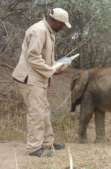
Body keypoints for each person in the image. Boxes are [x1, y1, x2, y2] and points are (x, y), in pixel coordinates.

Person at [12, 8, 72, 157]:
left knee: (43, 110)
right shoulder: (39, 31)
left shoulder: (47, 31)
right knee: (36, 113)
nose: (63, 27)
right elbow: (33, 57)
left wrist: (55, 67)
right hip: (30, 78)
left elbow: (42, 58)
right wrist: (51, 71)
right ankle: (34, 148)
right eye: (62, 24)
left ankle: (47, 143)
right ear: (55, 21)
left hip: (38, 77)